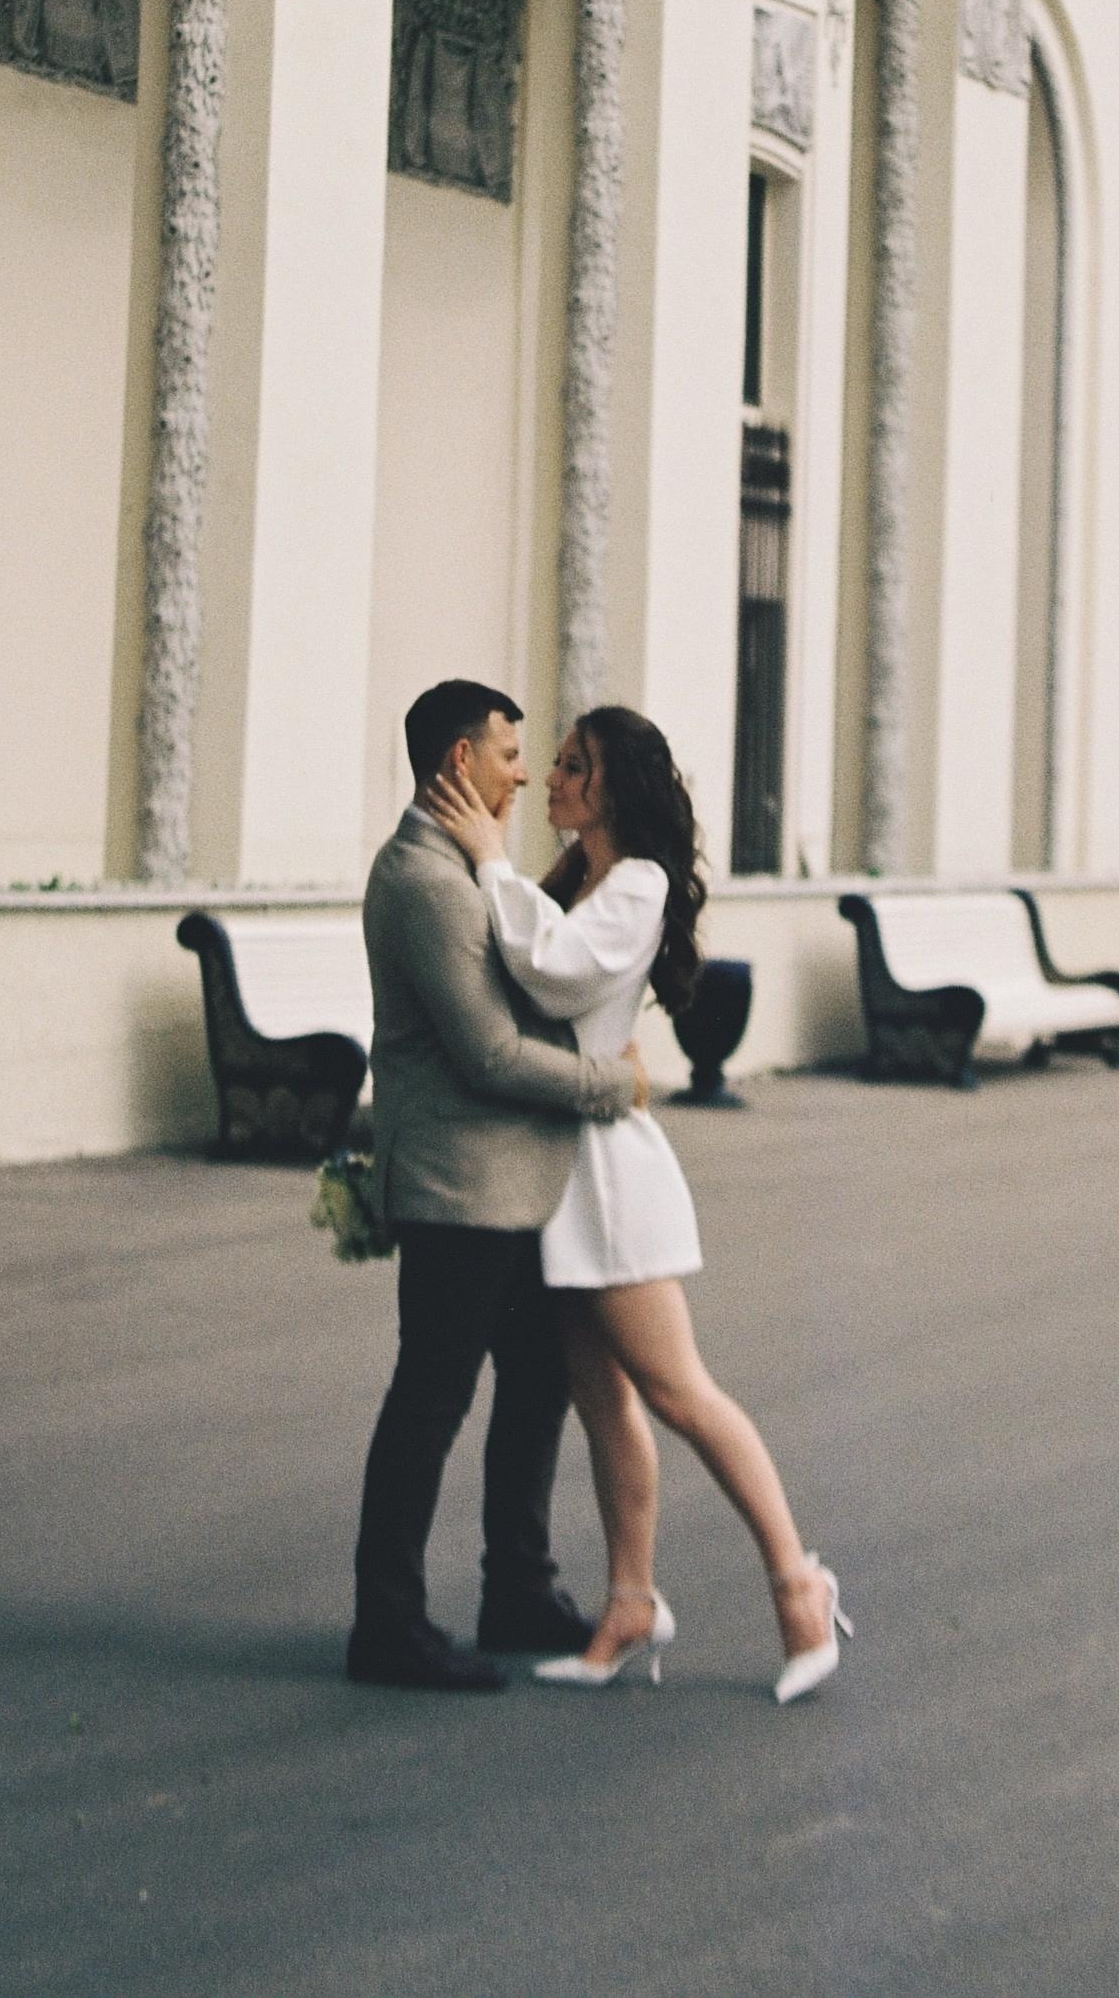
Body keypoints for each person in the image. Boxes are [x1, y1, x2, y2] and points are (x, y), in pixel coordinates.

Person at [423, 702, 851, 1704]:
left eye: (572, 765)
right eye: (553, 761)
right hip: (567, 1175)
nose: (550, 780)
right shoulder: (584, 878)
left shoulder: (641, 883)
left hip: (611, 1178)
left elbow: (557, 971)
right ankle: (628, 1604)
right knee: (604, 1397)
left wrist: (488, 858)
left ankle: (799, 1583)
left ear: (612, 787)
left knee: (679, 1391)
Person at [348, 678, 649, 1695]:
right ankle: (386, 1625)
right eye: (508, 753)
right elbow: (486, 1051)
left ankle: (516, 1587)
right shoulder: (426, 882)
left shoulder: (465, 869)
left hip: (512, 1184)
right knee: (431, 1397)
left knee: (535, 1382)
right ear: (457, 765)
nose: (522, 772)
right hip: (458, 1185)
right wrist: (611, 1086)